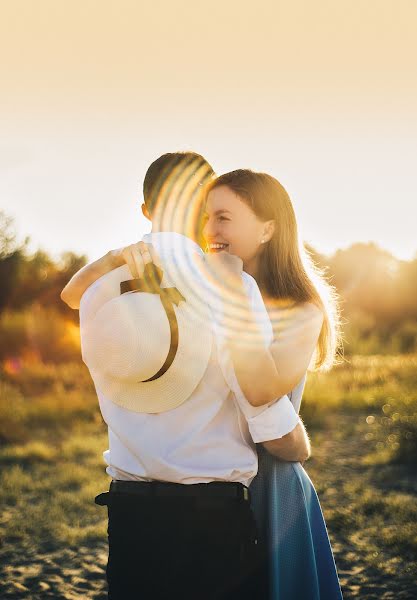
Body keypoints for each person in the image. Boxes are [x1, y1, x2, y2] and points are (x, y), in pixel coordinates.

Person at [61, 152, 310, 600]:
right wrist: (296, 444)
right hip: (211, 519)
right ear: (202, 208)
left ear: (145, 209)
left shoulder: (99, 286)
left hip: (129, 512)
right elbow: (264, 411)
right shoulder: (229, 283)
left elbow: (70, 296)